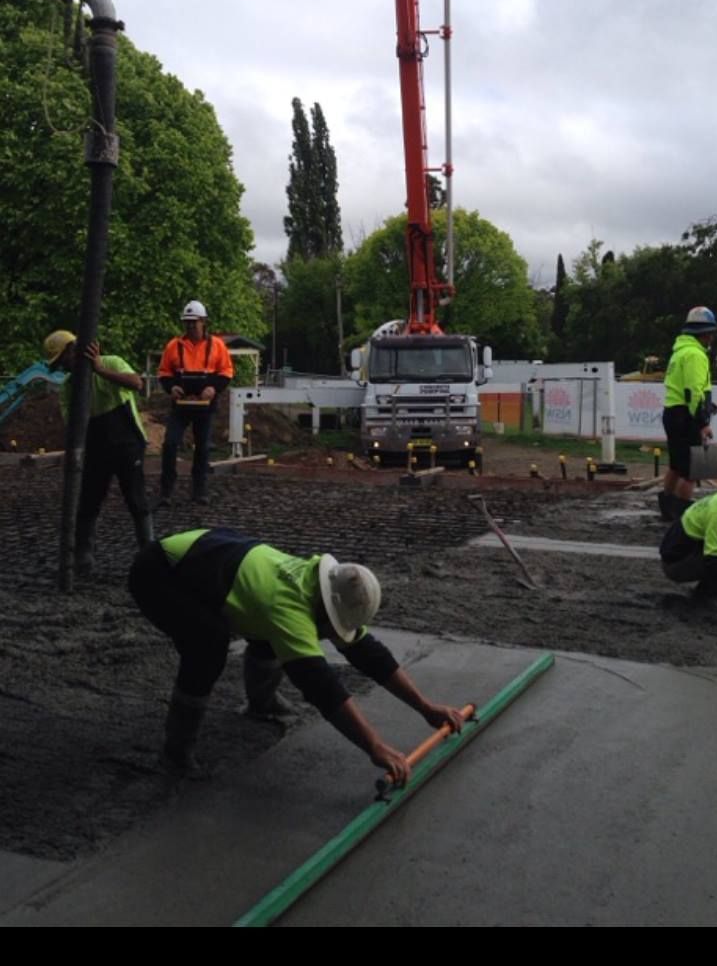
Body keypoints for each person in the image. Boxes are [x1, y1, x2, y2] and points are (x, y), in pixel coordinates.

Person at [128, 528, 465, 778]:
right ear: (326, 610)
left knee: (262, 627)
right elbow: (322, 687)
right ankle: (175, 753)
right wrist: (374, 746)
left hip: (210, 563)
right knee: (208, 644)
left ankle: (260, 704)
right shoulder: (288, 608)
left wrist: (426, 708)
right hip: (160, 573)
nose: (334, 636)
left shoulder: (321, 584)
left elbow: (369, 655)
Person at [43, 330, 153, 572]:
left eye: (64, 360)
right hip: (96, 448)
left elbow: (137, 383)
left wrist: (100, 370)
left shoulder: (111, 362)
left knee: (136, 499)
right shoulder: (69, 388)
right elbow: (71, 426)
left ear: (74, 350)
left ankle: (149, 553)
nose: (64, 367)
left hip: (127, 443)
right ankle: (84, 555)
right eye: (60, 364)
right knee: (89, 500)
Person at [157, 301, 234, 506]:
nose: (190, 326)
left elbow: (226, 372)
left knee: (202, 448)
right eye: (187, 323)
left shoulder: (217, 345)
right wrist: (171, 387)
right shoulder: (174, 346)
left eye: (194, 322)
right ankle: (166, 490)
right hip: (180, 405)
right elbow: (164, 372)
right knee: (170, 444)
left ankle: (199, 490)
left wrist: (213, 388)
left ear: (203, 322)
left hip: (205, 406)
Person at [658, 306, 717, 523]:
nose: (712, 338)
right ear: (703, 334)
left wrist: (708, 404)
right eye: (711, 333)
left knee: (676, 465)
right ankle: (681, 517)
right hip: (686, 417)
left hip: (674, 412)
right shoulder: (695, 355)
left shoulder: (680, 352)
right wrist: (702, 422)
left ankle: (667, 508)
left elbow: (688, 388)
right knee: (691, 472)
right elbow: (693, 391)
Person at [660, 462, 717, 605]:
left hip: (696, 551)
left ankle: (708, 590)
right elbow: (715, 562)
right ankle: (706, 595)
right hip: (677, 562)